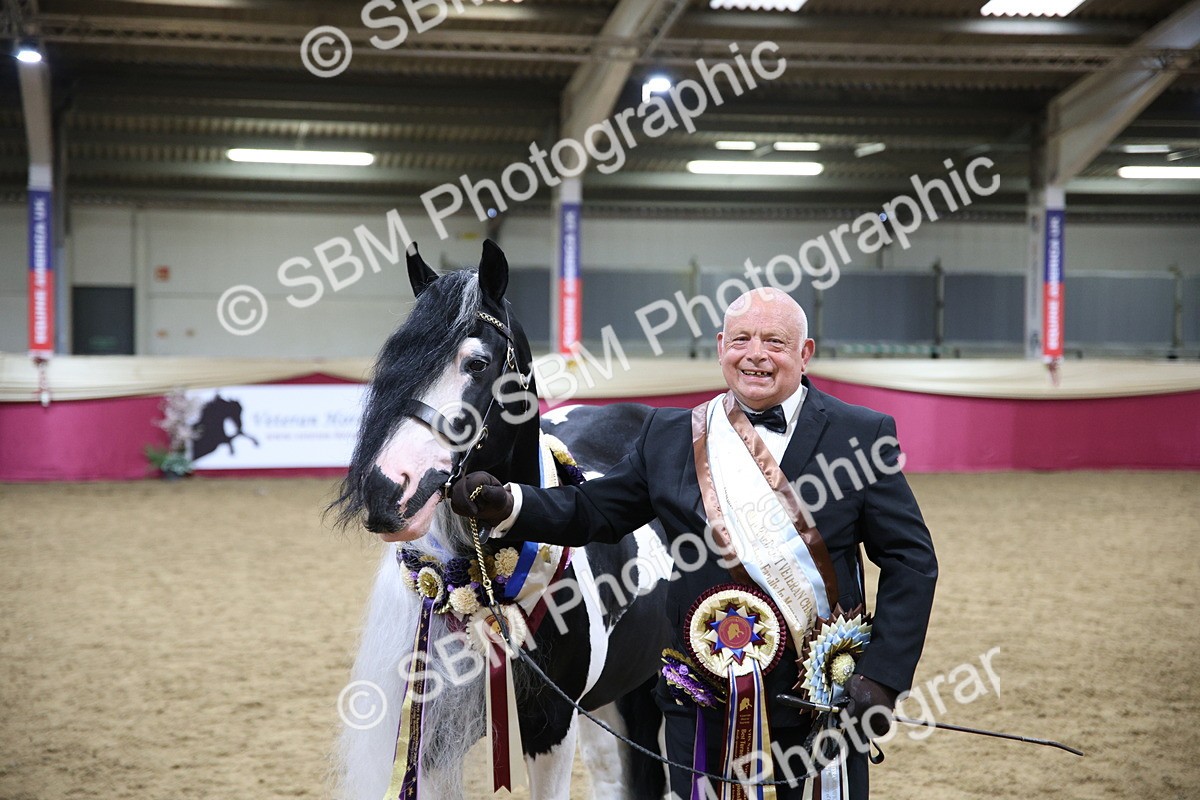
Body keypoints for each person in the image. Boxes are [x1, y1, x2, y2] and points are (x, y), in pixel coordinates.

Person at [452, 287, 937, 800]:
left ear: (805, 353)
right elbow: (593, 511)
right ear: (721, 346)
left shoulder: (861, 434)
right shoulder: (669, 435)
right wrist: (511, 503)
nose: (755, 355)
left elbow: (910, 559)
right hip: (703, 698)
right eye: (742, 340)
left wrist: (883, 676)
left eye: (774, 342)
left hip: (821, 692)